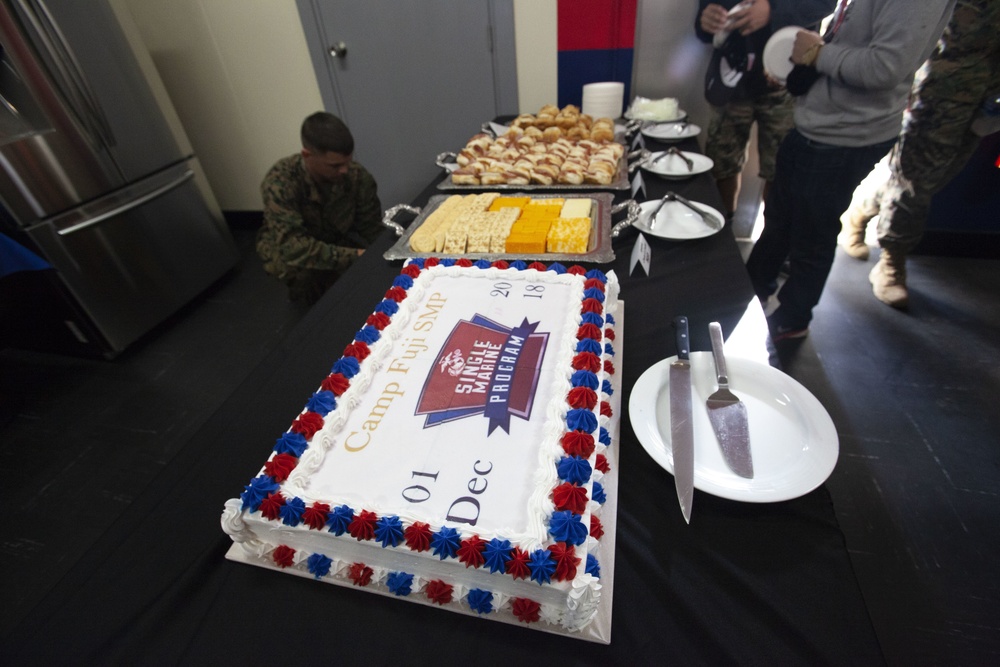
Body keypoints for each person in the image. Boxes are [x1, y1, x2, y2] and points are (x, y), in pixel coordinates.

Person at [745, 0, 956, 341]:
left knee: (811, 234)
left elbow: (884, 67)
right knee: (781, 220)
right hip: (817, 125)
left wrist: (816, 54)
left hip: (844, 136)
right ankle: (750, 291)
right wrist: (800, 69)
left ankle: (792, 319)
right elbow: (850, 42)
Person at [838, 0, 1000, 309]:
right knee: (916, 182)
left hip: (987, 100)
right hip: (941, 95)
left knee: (936, 176)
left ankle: (862, 210)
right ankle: (891, 261)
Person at [695, 0, 836, 216]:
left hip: (785, 77)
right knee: (722, 166)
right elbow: (705, 17)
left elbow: (824, 4)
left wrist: (774, 11)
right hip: (731, 78)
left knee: (781, 172)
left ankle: (771, 242)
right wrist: (705, 21)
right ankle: (724, 233)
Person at [257, 112, 383, 304]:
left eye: (347, 162)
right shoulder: (280, 183)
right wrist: (356, 256)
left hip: (334, 236)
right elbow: (292, 247)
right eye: (335, 165)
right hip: (292, 247)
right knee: (301, 275)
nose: (344, 170)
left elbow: (372, 229)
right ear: (307, 155)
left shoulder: (357, 177)